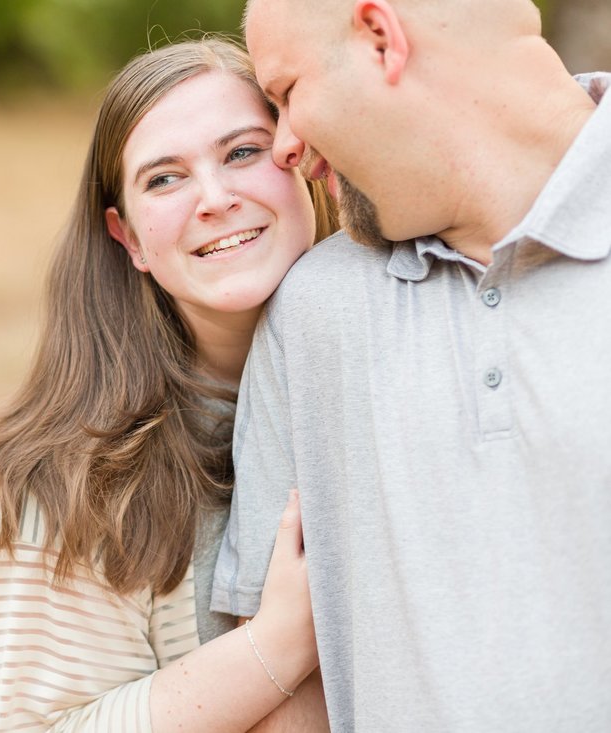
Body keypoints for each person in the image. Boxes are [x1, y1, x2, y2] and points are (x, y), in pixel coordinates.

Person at [212, 0, 611, 730]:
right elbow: (282, 684)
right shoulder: (313, 313)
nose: (283, 147)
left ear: (379, 37)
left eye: (289, 94)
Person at [0, 38, 338, 732]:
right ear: (129, 237)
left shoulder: (392, 364)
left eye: (242, 152)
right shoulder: (79, 470)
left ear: (304, 163)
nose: (215, 198)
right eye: (164, 179)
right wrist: (277, 646)